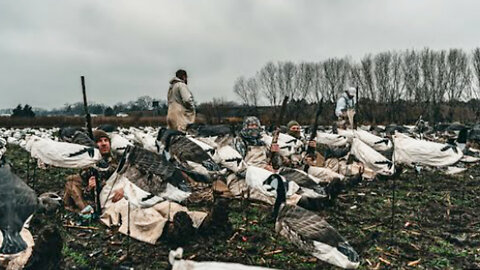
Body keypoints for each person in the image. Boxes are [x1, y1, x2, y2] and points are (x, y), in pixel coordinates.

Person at [64, 130, 123, 217]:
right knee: (72, 181)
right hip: (94, 198)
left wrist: (121, 188)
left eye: (106, 140)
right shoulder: (88, 163)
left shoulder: (116, 160)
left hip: (112, 194)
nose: (104, 144)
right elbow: (86, 189)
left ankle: (86, 212)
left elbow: (117, 175)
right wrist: (89, 188)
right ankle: (86, 212)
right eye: (99, 141)